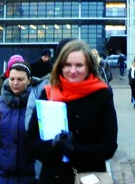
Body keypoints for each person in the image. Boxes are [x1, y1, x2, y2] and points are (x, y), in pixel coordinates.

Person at [26, 40, 118, 183]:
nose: (73, 71)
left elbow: (109, 146)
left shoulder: (102, 94)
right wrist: (53, 146)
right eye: (67, 65)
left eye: (79, 65)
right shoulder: (49, 93)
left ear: (88, 66)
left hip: (88, 177)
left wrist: (74, 150)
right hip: (53, 177)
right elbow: (30, 141)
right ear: (60, 66)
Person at [0, 62, 37, 184]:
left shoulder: (36, 104)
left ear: (29, 80)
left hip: (29, 175)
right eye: (12, 79)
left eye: (20, 79)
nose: (15, 83)